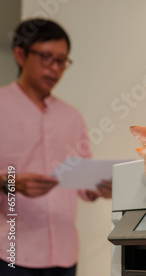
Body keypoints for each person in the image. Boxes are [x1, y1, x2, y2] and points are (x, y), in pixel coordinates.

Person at [0, 18, 111, 275]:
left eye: (62, 61)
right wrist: (10, 182)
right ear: (21, 55)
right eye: (46, 57)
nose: (54, 68)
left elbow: (84, 183)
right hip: (10, 252)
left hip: (64, 253)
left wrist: (100, 187)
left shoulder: (72, 117)